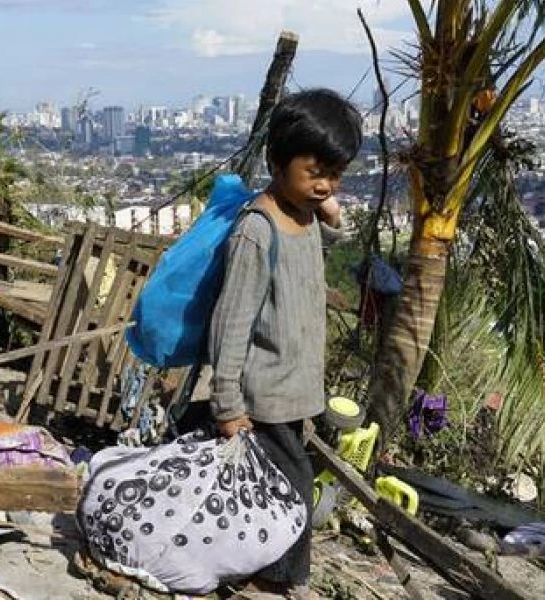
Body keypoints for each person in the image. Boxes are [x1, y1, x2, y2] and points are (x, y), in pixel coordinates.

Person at [205, 88, 362, 598]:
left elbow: (314, 246)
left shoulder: (306, 216)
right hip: (262, 396)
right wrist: (227, 404)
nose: (326, 186)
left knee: (270, 491)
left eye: (335, 175)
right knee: (290, 488)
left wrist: (333, 216)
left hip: (293, 392)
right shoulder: (257, 230)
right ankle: (274, 581)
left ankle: (260, 573)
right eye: (315, 172)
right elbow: (231, 324)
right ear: (276, 162)